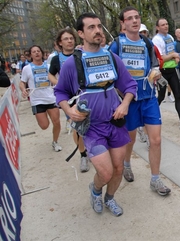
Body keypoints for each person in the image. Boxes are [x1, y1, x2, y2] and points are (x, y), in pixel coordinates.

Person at [54, 12, 138, 216]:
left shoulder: (111, 57)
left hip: (115, 123)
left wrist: (125, 104)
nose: (98, 30)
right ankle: (95, 190)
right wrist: (69, 110)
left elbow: (129, 85)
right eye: (91, 27)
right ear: (81, 33)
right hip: (92, 127)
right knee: (106, 171)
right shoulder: (72, 63)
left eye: (99, 26)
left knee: (118, 169)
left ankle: (109, 198)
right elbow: (60, 92)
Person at [109, 6, 171, 196]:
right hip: (127, 100)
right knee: (130, 138)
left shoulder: (146, 42)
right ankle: (127, 164)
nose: (134, 21)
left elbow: (154, 64)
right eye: (129, 18)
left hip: (148, 97)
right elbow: (111, 73)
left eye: (137, 17)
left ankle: (155, 179)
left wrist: (155, 71)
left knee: (156, 140)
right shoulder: (116, 44)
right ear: (123, 23)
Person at [48, 28, 89, 173]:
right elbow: (50, 75)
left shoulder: (83, 53)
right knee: (77, 127)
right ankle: (83, 155)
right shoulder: (56, 59)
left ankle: (91, 149)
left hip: (86, 95)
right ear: (60, 42)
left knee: (90, 125)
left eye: (71, 38)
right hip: (70, 99)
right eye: (66, 39)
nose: (70, 41)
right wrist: (58, 84)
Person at [19, 45, 63, 152]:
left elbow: (56, 79)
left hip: (51, 98)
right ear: (31, 55)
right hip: (37, 101)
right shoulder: (27, 68)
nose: (37, 53)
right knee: (44, 126)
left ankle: (55, 142)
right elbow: (22, 82)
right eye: (34, 52)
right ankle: (43, 117)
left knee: (56, 122)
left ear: (42, 53)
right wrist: (23, 90)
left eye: (38, 51)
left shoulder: (49, 66)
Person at [152, 18, 180, 129]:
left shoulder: (170, 37)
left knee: (177, 95)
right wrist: (173, 56)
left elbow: (172, 52)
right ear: (157, 28)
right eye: (163, 24)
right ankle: (150, 117)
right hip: (162, 72)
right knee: (160, 96)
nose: (166, 26)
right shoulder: (156, 40)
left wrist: (176, 57)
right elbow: (161, 58)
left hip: (173, 70)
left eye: (167, 24)